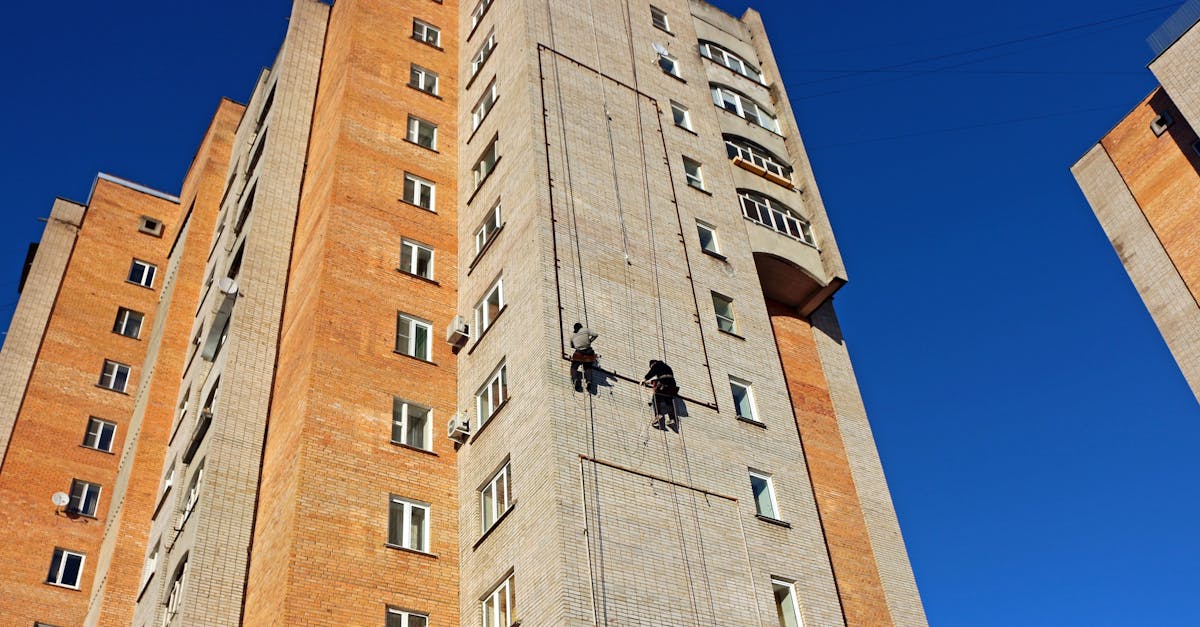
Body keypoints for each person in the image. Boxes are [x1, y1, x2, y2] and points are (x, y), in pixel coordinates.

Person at [643, 359, 679, 425]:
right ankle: (672, 419)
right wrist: (650, 382)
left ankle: (658, 414)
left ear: (653, 364)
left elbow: (653, 371)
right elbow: (663, 377)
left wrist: (645, 378)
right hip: (672, 385)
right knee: (668, 401)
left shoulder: (657, 365)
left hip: (663, 383)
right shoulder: (667, 367)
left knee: (656, 397)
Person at [569, 323, 598, 391]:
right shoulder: (585, 330)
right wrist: (590, 341)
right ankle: (589, 381)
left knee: (574, 368)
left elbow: (572, 346)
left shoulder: (573, 336)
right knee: (588, 368)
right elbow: (595, 335)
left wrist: (578, 345)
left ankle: (575, 379)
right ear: (581, 327)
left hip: (579, 353)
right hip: (588, 352)